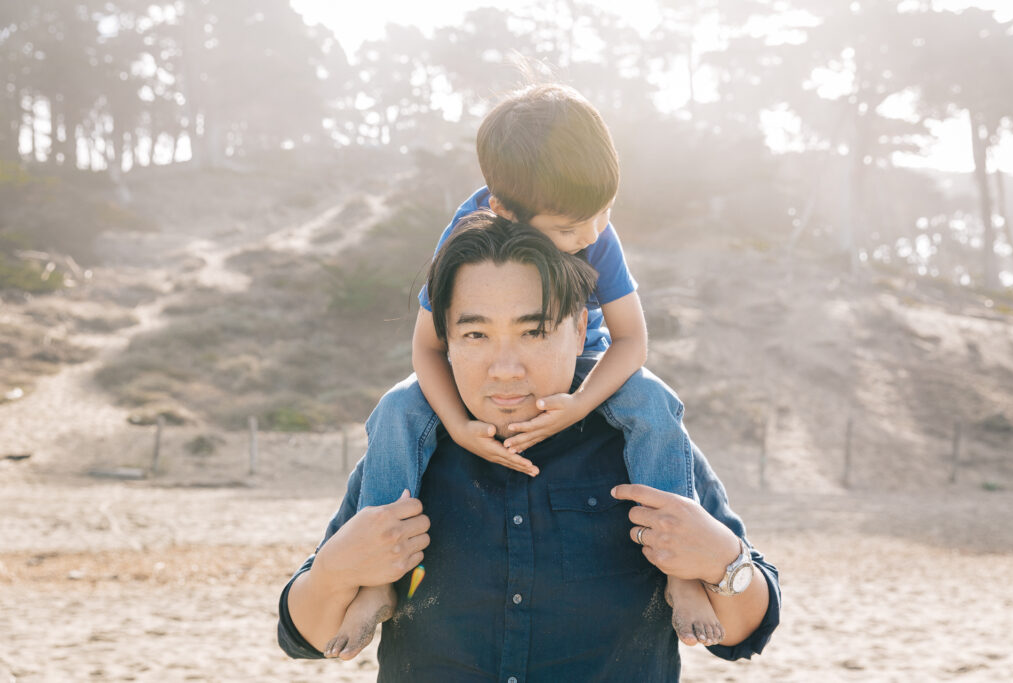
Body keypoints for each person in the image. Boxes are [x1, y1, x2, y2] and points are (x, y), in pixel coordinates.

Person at [277, 215, 781, 680]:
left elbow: (744, 633)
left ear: (579, 330)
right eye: (476, 333)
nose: (505, 369)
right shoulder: (407, 444)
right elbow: (307, 637)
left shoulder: (645, 439)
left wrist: (723, 562)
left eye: (534, 331)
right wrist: (336, 572)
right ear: (445, 338)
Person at [349, 83, 721, 650]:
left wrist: (580, 403)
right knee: (398, 408)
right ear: (504, 211)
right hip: (493, 359)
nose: (590, 234)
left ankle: (682, 575)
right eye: (569, 229)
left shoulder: (593, 229)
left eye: (604, 212)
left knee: (652, 401)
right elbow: (427, 347)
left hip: (585, 362)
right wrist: (458, 426)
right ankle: (377, 579)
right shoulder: (469, 233)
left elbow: (631, 340)